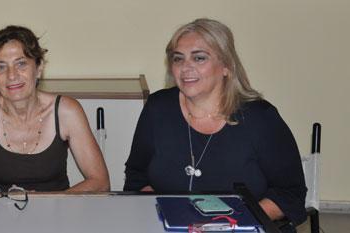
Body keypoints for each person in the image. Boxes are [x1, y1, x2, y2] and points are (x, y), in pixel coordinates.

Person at [124, 18, 307, 226]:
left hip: (242, 227)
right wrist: (160, 216)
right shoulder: (158, 108)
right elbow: (137, 176)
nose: (186, 67)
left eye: (199, 58)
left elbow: (290, 194)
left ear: (226, 66)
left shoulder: (260, 118)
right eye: (178, 59)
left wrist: (227, 224)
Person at [0, 25, 109, 192]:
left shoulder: (66, 111)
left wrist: (47, 201)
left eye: (21, 64)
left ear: (39, 68)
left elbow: (100, 182)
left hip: (58, 208)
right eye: (1, 67)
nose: (12, 75)